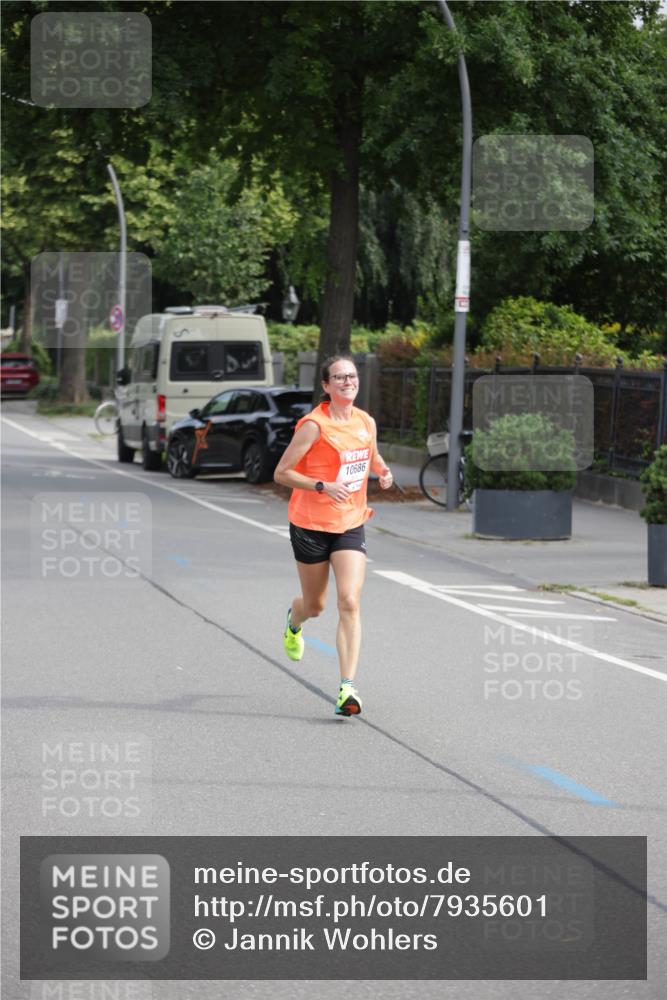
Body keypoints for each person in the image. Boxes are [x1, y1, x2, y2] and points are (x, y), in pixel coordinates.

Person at [274, 354, 393, 717]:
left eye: (352, 376)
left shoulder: (365, 421)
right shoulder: (313, 425)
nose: (347, 382)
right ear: (326, 386)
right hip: (310, 523)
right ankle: (294, 622)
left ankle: (347, 688)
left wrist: (383, 470)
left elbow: (369, 454)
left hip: (350, 522)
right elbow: (282, 472)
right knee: (316, 605)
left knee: (350, 601)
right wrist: (322, 485)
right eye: (339, 377)